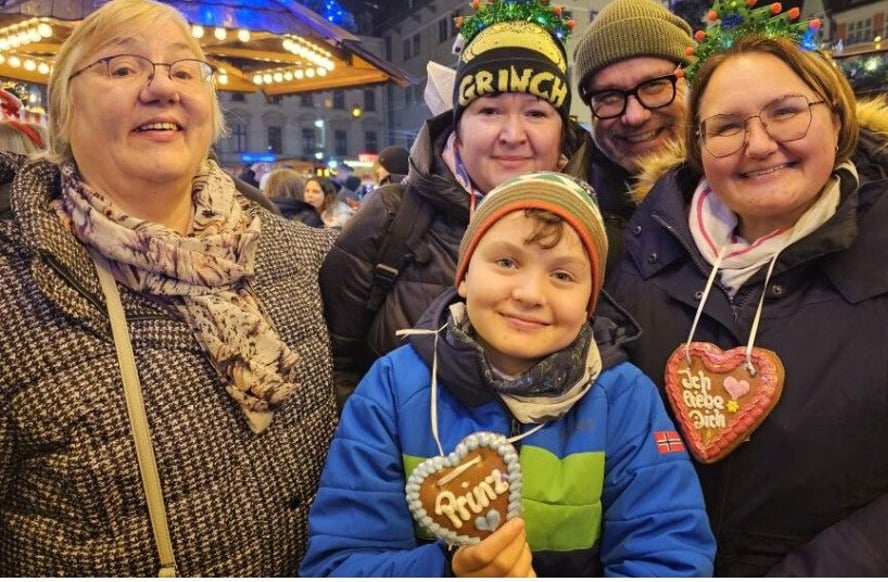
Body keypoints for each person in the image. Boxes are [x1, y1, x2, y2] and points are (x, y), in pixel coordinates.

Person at [604, 2, 888, 574]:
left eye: (786, 113)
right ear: (698, 146)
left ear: (837, 119)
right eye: (727, 126)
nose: (758, 144)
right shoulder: (646, 251)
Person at [0, 0, 339, 575]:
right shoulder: (18, 288)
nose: (162, 88)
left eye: (184, 70)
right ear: (63, 115)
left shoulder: (298, 254)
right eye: (121, 67)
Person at [301, 172, 716, 576]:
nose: (530, 294)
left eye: (563, 275)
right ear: (464, 275)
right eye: (506, 262)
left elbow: (671, 557)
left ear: (589, 302)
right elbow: (339, 564)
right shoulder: (392, 389)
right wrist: (448, 570)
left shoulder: (625, 399)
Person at [319, 0, 592, 402]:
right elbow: (333, 363)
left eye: (536, 113)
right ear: (458, 128)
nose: (513, 134)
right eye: (490, 110)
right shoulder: (392, 217)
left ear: (562, 131)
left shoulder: (596, 231)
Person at [572, 0, 696, 273]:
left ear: (691, 85)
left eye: (654, 85)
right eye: (609, 96)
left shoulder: (741, 198)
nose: (635, 116)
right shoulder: (564, 210)